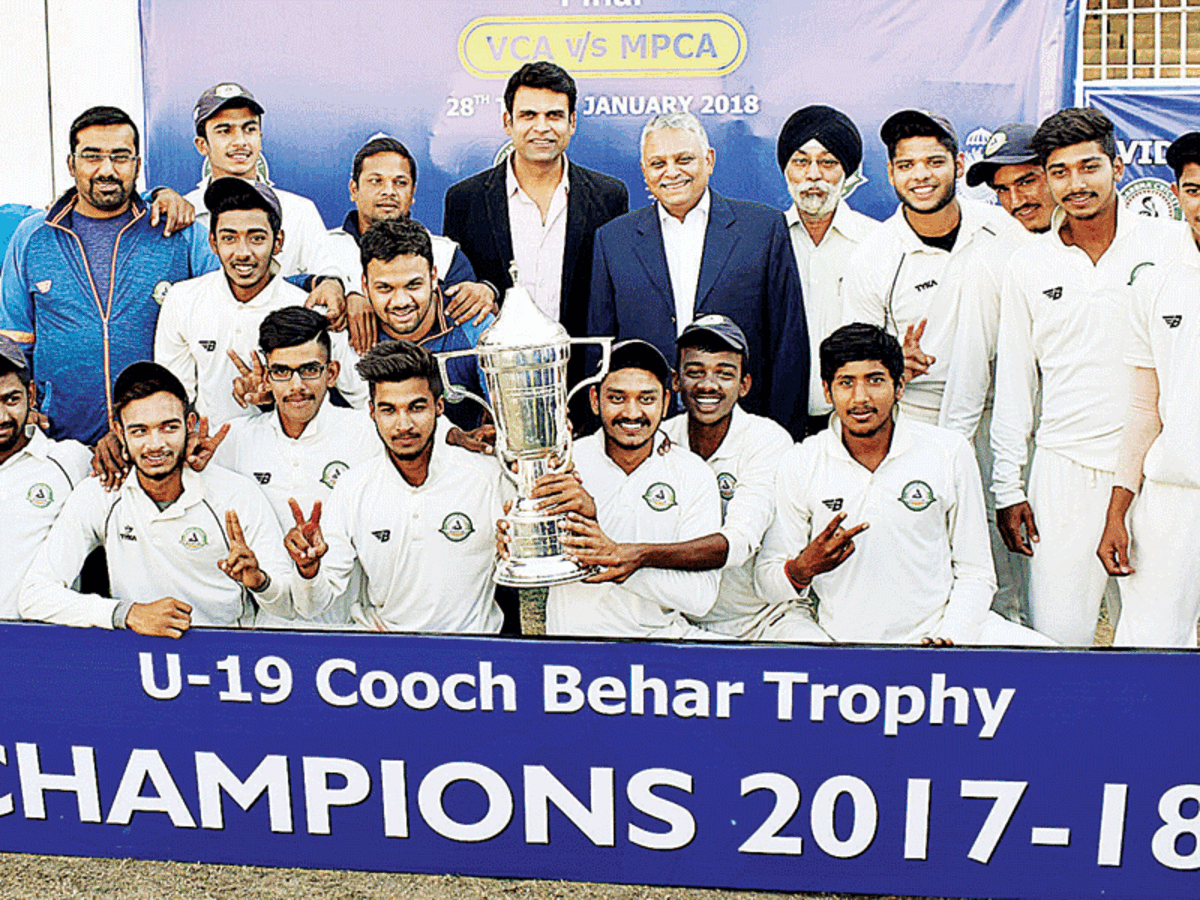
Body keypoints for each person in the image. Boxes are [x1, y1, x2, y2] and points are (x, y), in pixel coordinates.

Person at [990, 107, 1177, 645]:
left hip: (1156, 471)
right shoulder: (1028, 265)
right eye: (1060, 172)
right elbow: (1016, 385)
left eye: (1089, 167)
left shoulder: (1171, 246)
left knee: (1157, 641)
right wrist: (1008, 487)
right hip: (1063, 470)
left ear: (1117, 167)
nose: (1076, 184)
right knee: (1058, 637)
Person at [756, 324, 1052, 645]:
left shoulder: (948, 452)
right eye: (846, 382)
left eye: (875, 380)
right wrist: (802, 569)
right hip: (842, 647)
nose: (860, 397)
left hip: (940, 636)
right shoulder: (802, 462)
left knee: (1053, 662)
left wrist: (950, 638)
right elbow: (766, 582)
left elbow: (976, 573)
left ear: (899, 387)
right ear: (827, 392)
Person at [20, 362, 292, 634]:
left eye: (169, 427)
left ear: (190, 424)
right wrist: (125, 613)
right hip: (136, 652)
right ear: (119, 432)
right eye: (140, 431)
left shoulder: (236, 494)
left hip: (226, 653)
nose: (155, 444)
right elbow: (34, 596)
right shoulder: (102, 493)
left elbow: (288, 604)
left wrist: (260, 583)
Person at [1, 106, 216, 444]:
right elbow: (13, 343)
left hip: (156, 444)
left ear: (138, 165)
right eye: (92, 156)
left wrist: (308, 284)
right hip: (59, 442)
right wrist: (23, 409)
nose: (107, 170)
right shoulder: (32, 236)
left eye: (120, 157)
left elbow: (235, 297)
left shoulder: (178, 231)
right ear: (71, 164)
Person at [589, 112, 810, 439]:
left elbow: (788, 343)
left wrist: (783, 437)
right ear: (644, 171)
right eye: (658, 163)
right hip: (645, 431)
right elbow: (600, 350)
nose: (671, 172)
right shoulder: (613, 240)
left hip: (744, 432)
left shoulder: (763, 229)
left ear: (709, 160)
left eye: (684, 159)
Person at [283, 341, 507, 633]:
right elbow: (311, 606)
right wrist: (308, 571)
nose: (403, 425)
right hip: (383, 654)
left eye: (416, 408)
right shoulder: (354, 488)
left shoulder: (486, 478)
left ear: (439, 407)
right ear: (372, 412)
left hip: (474, 653)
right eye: (389, 410)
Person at [939, 123, 1057, 625]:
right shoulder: (992, 260)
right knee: (1020, 600)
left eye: (1027, 181)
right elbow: (969, 374)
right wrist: (947, 470)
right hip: (1016, 449)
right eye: (1003, 189)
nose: (1016, 200)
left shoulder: (1105, 247)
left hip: (1099, 446)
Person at [204, 307, 379, 628]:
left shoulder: (368, 433)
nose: (296, 385)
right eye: (282, 371)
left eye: (310, 369)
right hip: (267, 628)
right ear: (266, 377)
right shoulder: (235, 438)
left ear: (332, 372)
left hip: (349, 628)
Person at [841, 109, 1019, 424]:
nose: (920, 175)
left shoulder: (1006, 229)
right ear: (891, 173)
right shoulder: (871, 258)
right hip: (919, 415)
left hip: (1004, 409)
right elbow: (856, 361)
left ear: (959, 164)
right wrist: (891, 364)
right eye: (906, 165)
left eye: (935, 162)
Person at [543, 340, 724, 638]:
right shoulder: (565, 464)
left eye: (646, 399)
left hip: (659, 646)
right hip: (574, 648)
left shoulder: (692, 473)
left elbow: (701, 599)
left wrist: (623, 558)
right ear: (595, 399)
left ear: (665, 402)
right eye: (617, 398)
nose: (631, 412)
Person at [1096, 132, 1200, 647]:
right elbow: (1143, 408)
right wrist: (1119, 508)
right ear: (1177, 194)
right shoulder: (1157, 284)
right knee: (1151, 644)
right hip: (1172, 492)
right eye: (1195, 189)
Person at [154, 177, 366, 427]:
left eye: (256, 238)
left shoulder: (310, 310)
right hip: (211, 450)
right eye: (229, 238)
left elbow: (363, 398)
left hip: (295, 451)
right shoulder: (183, 300)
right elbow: (174, 402)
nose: (242, 252)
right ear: (213, 242)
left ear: (278, 242)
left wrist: (276, 400)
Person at [661, 316, 824, 641]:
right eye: (695, 372)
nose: (708, 385)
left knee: (821, 662)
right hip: (681, 621)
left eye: (724, 373)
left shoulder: (766, 440)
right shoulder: (660, 439)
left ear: (744, 384)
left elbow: (739, 542)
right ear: (676, 381)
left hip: (767, 619)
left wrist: (636, 554)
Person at [443, 62, 628, 339]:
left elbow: (615, 293)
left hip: (583, 361)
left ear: (572, 122)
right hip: (496, 361)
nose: (541, 127)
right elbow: (457, 290)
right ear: (508, 122)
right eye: (528, 115)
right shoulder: (465, 200)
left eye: (554, 115)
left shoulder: (608, 197)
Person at [184, 83, 346, 316]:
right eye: (224, 131)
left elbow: (328, 277)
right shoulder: (185, 214)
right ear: (202, 145)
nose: (240, 141)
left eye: (249, 129)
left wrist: (333, 284)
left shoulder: (299, 210)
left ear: (260, 137)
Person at [328, 135, 497, 352]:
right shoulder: (323, 248)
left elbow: (465, 318)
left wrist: (487, 290)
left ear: (413, 192)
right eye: (376, 181)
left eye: (400, 182)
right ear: (354, 189)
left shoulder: (446, 253)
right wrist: (341, 292)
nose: (389, 191)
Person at [777, 105, 879, 435]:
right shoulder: (765, 239)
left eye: (828, 163)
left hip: (857, 420)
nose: (813, 175)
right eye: (801, 162)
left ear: (847, 173)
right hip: (776, 420)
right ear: (785, 171)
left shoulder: (877, 242)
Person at [359, 217, 492, 430]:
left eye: (413, 285)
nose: (401, 301)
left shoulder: (472, 322)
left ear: (433, 276)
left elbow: (511, 415)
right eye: (385, 288)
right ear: (364, 286)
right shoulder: (351, 326)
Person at [0, 337, 91, 619]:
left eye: (11, 399)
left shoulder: (70, 461)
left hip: (42, 642)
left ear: (31, 394)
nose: (1, 417)